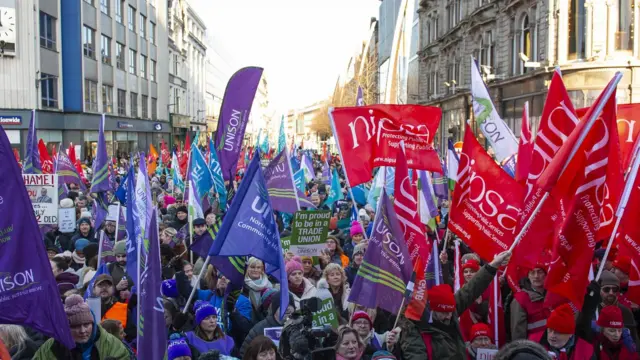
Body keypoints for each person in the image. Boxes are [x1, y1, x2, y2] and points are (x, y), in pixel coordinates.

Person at [398, 250, 511, 360]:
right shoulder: (413, 330)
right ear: (432, 310)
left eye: (450, 312)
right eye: (444, 313)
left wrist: (493, 265)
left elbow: (471, 290)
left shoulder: (450, 310)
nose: (449, 316)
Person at [33, 294, 131, 359]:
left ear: (92, 323)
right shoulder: (51, 348)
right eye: (75, 326)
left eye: (86, 324)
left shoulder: (112, 344)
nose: (82, 330)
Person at [240, 291, 295, 357]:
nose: (287, 308)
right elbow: (244, 353)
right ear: (275, 309)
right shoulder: (259, 329)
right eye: (283, 305)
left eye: (290, 305)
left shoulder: (300, 326)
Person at [597, 270, 639, 347]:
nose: (611, 292)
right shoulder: (593, 311)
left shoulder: (625, 311)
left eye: (615, 289)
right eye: (606, 289)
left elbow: (635, 341)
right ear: (599, 290)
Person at [510, 260, 549, 341]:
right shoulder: (521, 299)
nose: (536, 276)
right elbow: (518, 332)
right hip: (534, 348)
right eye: (532, 272)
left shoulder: (554, 295)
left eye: (540, 272)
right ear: (528, 276)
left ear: (546, 274)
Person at [92, 274, 137, 342]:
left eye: (108, 285)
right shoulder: (87, 309)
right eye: (100, 285)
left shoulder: (123, 309)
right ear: (94, 289)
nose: (104, 287)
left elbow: (131, 337)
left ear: (113, 289)